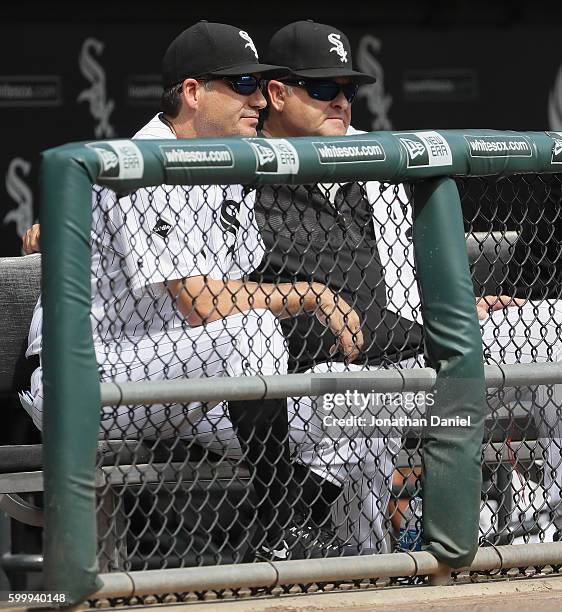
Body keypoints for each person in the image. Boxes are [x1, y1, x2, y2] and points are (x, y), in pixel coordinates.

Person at [19, 20, 365, 563]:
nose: (258, 100)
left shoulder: (229, 160)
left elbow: (237, 289)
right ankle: (280, 528)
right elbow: (204, 305)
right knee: (249, 330)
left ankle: (293, 530)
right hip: (88, 375)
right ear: (192, 92)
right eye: (242, 86)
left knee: (360, 407)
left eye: (259, 86)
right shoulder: (142, 162)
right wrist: (312, 295)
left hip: (189, 372)